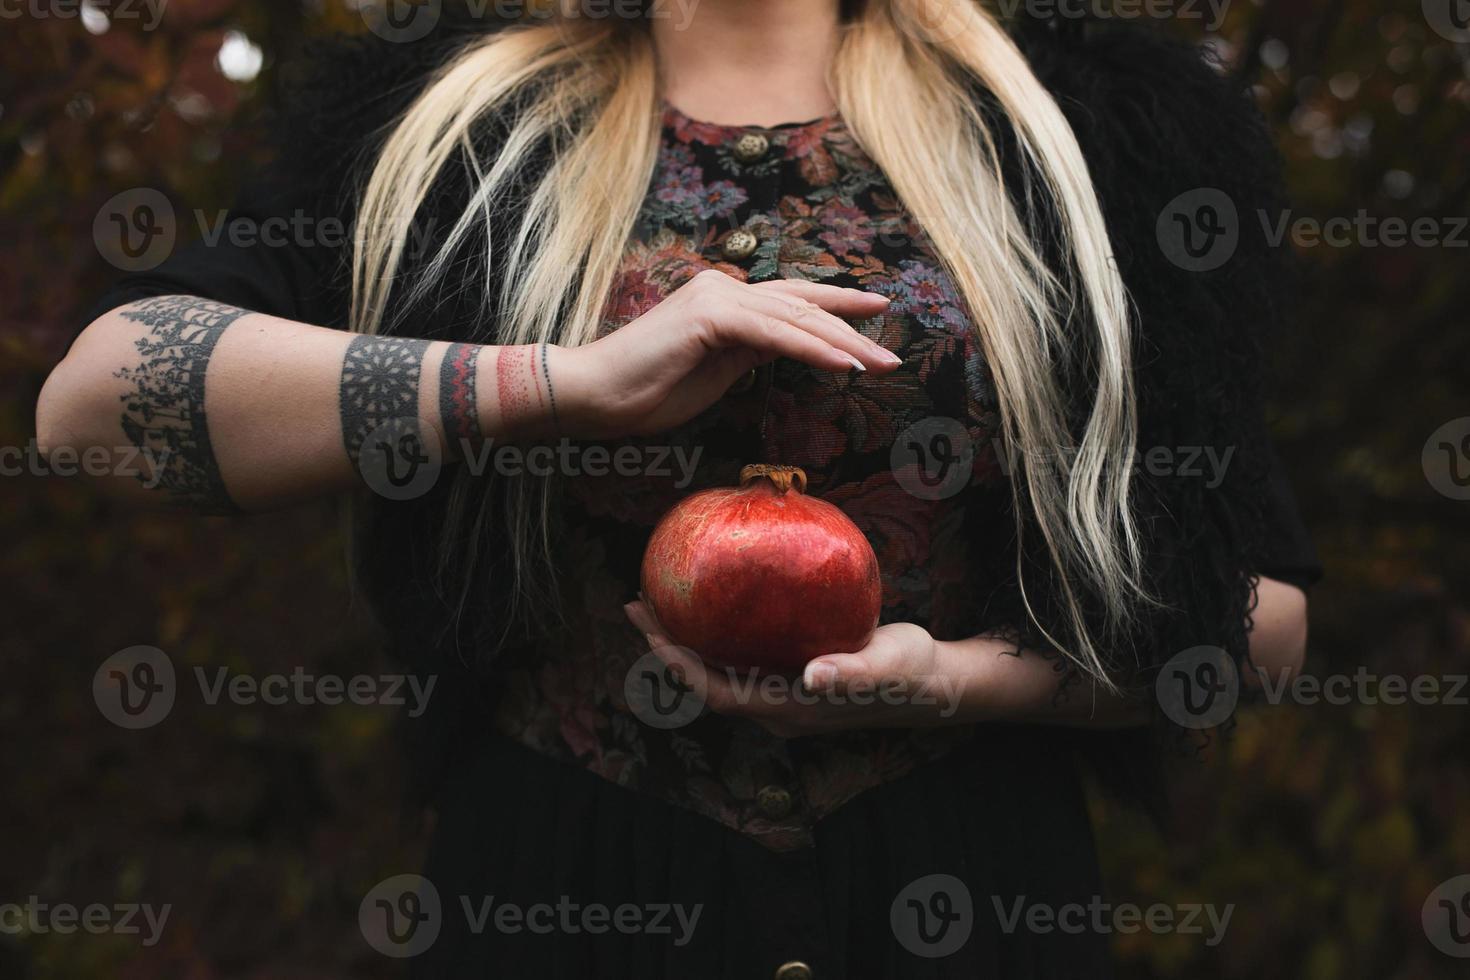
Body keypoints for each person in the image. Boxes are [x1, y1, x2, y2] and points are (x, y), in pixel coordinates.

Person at [38, 1, 1319, 975]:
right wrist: (557, 383)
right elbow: (97, 405)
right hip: (557, 882)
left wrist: (962, 676)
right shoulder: (457, 131)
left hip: (969, 877)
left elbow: (1258, 626)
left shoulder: (1078, 129)